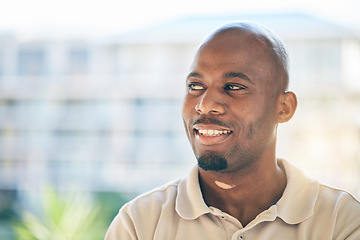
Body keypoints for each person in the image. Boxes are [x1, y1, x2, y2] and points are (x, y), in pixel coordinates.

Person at [105, 21, 360, 239]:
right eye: (195, 86)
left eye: (234, 87)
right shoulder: (139, 225)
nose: (205, 105)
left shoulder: (341, 221)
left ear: (283, 107)